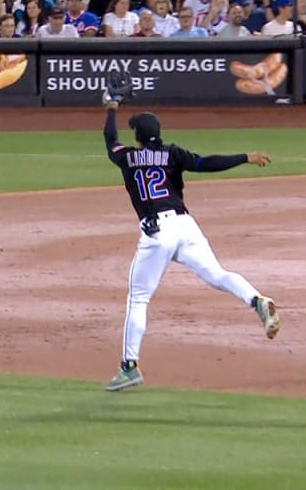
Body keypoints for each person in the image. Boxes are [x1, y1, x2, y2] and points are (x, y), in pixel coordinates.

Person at [99, 73, 279, 392]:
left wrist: (111, 107)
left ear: (138, 137)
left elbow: (110, 140)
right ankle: (256, 299)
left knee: (138, 298)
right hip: (185, 224)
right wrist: (245, 157)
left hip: (156, 232)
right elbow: (207, 163)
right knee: (217, 274)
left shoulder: (127, 158)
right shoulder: (172, 153)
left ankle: (129, 367)